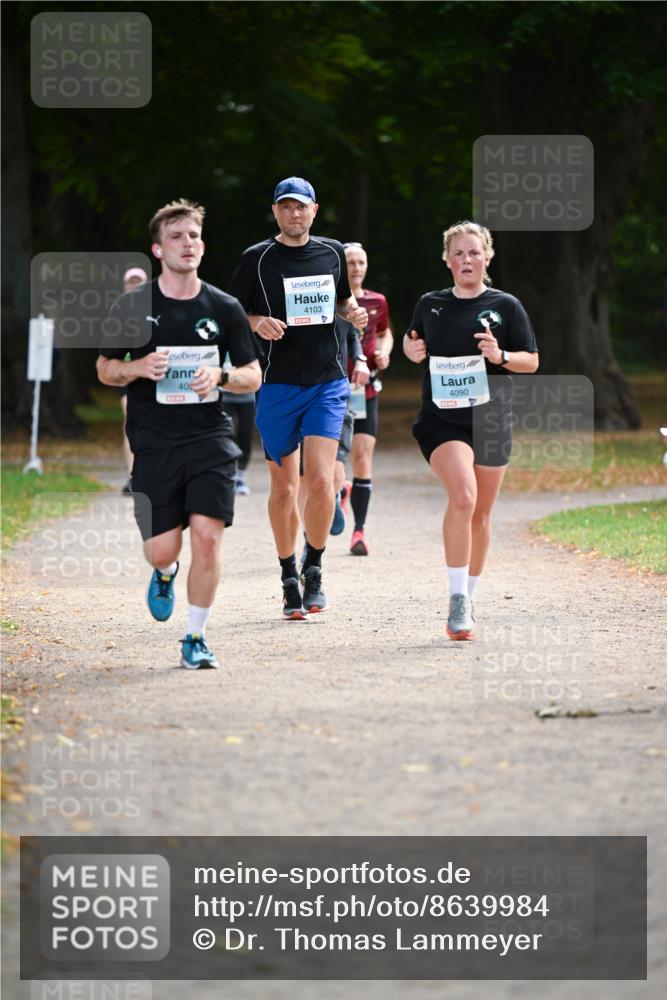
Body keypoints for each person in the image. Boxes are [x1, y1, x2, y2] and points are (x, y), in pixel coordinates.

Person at [97, 199, 261, 668]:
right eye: (176, 237)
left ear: (202, 247)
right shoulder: (133, 306)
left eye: (193, 236)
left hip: (211, 439)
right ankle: (165, 571)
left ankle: (195, 637)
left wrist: (222, 377)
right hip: (154, 441)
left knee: (207, 539)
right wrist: (136, 367)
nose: (186, 244)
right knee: (161, 549)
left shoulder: (224, 308)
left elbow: (253, 375)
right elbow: (105, 368)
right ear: (157, 249)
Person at [229, 177, 368, 619]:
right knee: (284, 487)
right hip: (277, 385)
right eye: (286, 206)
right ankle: (288, 573)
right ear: (275, 211)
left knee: (322, 481)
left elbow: (342, 302)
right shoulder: (256, 259)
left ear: (314, 210)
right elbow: (233, 315)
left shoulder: (332, 252)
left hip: (327, 382)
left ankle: (315, 569)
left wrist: (353, 313)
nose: (294, 213)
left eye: (301, 206)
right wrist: (257, 323)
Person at [403, 221, 539, 640]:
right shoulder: (430, 304)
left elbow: (531, 361)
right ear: (447, 259)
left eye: (474, 252)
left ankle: (470, 596)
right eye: (459, 253)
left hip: (491, 418)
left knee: (481, 514)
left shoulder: (506, 306)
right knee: (464, 496)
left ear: (487, 257)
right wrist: (411, 350)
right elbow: (412, 342)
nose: (467, 260)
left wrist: (500, 355)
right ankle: (457, 599)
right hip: (443, 420)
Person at [297, 319, 370, 556]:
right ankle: (309, 542)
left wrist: (360, 360)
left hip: (334, 396)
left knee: (334, 473)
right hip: (297, 394)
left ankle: (335, 494)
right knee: (305, 479)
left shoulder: (341, 306)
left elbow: (353, 335)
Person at [343, 242, 393, 556]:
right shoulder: (329, 300)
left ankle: (359, 531)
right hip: (331, 388)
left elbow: (386, 333)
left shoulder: (377, 301)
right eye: (351, 262)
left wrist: (383, 353)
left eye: (361, 262)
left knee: (362, 458)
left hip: (366, 389)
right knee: (331, 463)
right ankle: (339, 490)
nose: (357, 268)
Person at [119, 266, 148, 493]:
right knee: (130, 420)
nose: (135, 286)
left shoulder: (155, 310)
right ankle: (132, 476)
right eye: (131, 282)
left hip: (151, 375)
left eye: (139, 282)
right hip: (127, 376)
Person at [220, 351, 256, 496]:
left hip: (247, 398)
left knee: (245, 437)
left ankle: (240, 478)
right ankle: (228, 475)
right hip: (224, 396)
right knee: (227, 437)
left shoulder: (248, 341)